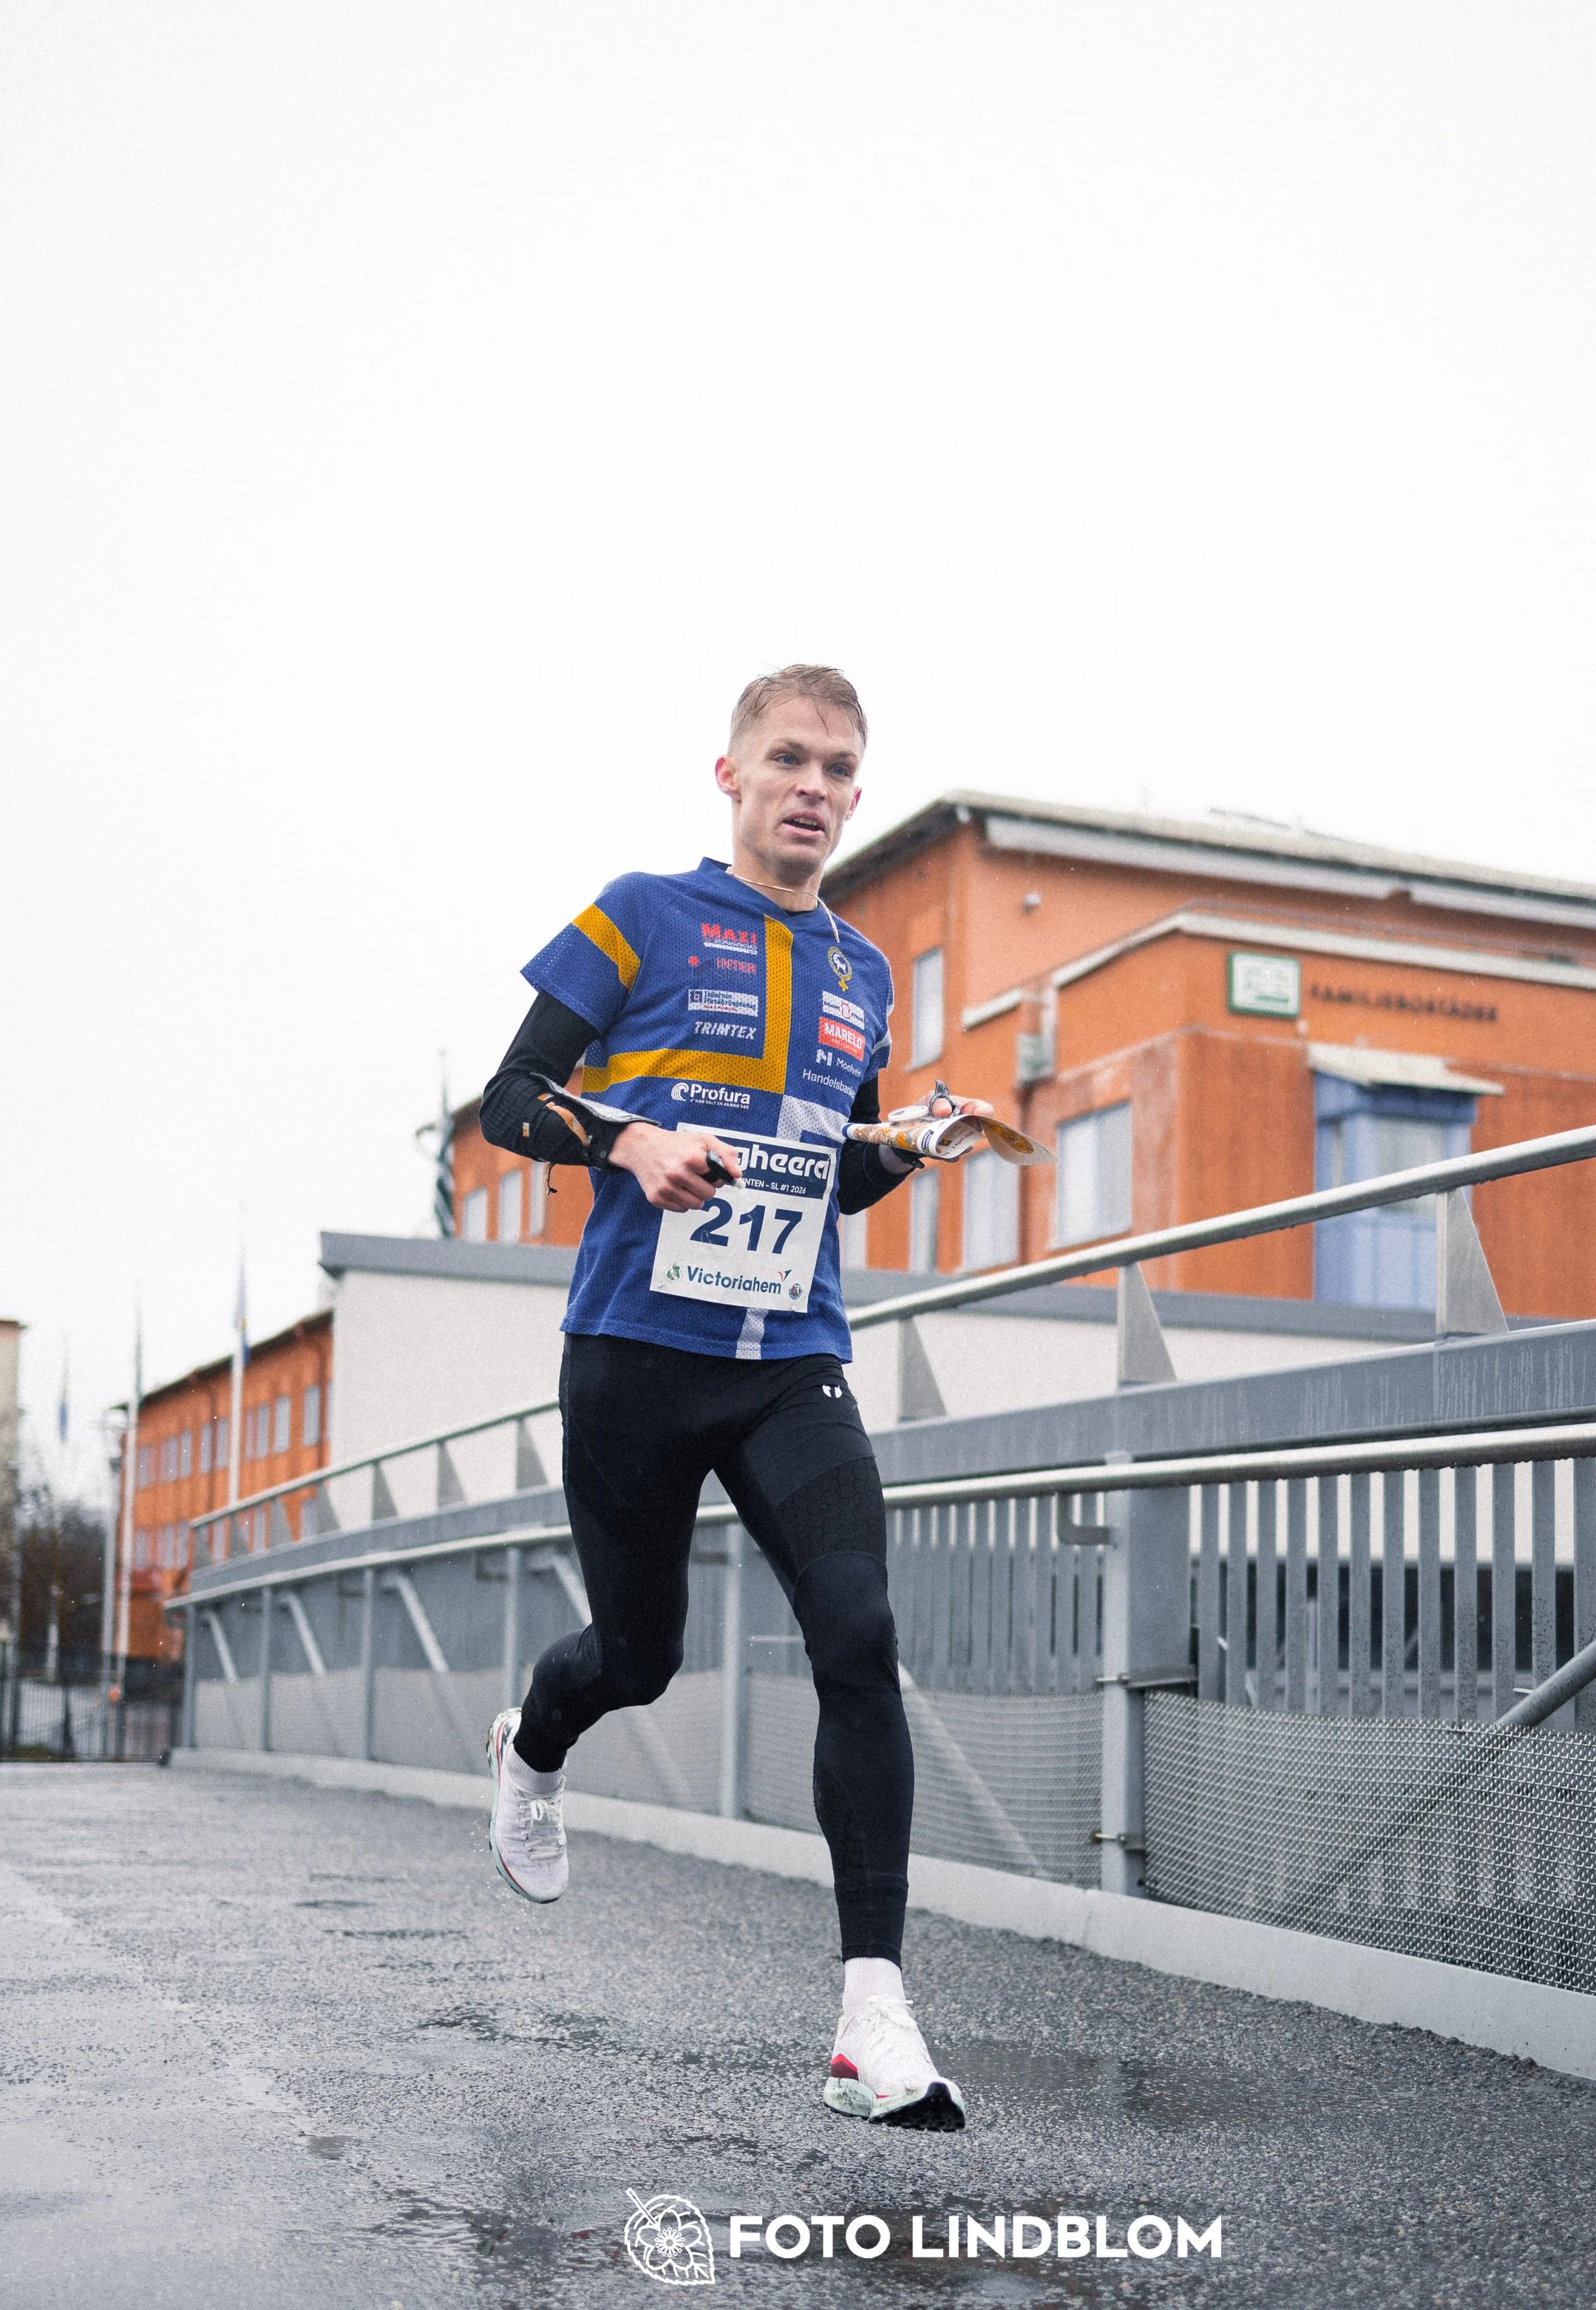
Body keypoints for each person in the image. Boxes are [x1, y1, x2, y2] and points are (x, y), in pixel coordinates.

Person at [476, 665, 989, 2132]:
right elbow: (511, 1098)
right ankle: (535, 1740)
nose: (814, 785)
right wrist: (628, 1139)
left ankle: (871, 2010)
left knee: (859, 1634)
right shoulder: (639, 910)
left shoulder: (862, 973)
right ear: (731, 773)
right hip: (635, 1353)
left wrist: (902, 1145)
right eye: (788, 758)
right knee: (640, 1653)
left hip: (788, 1357)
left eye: (839, 765)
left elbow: (829, 1172)